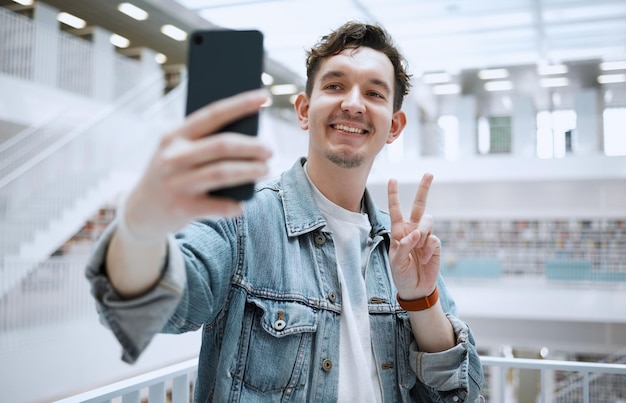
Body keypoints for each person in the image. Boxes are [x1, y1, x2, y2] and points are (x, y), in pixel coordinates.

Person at [86, 21, 484, 402]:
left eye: (375, 93)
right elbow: (143, 311)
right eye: (335, 85)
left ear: (394, 126)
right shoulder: (243, 221)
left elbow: (461, 390)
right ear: (303, 109)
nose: (352, 103)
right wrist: (141, 223)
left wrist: (420, 300)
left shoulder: (400, 246)